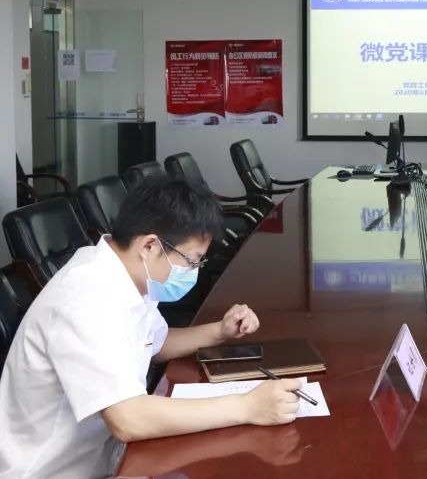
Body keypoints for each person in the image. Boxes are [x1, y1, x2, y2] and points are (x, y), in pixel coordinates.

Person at [0, 178, 303, 478]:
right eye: (191, 261)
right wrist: (247, 407)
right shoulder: (85, 299)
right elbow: (128, 420)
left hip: (107, 454)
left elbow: (154, 344)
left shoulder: (126, 274)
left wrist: (219, 331)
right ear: (148, 245)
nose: (193, 272)